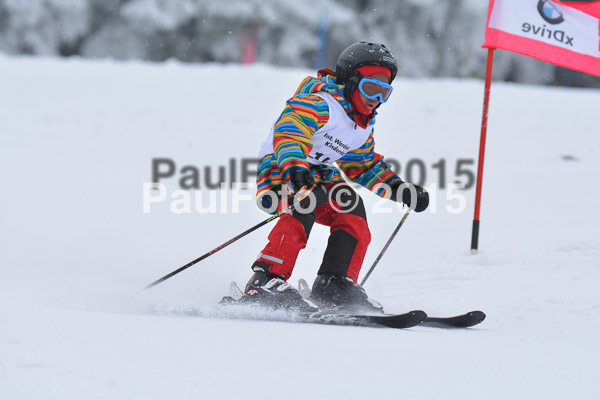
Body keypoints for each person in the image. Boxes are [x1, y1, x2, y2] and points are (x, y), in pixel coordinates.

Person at [243, 42, 429, 313]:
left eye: (384, 92)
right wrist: (295, 168)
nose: (375, 99)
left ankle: (334, 284)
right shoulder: (321, 103)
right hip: (282, 169)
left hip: (319, 175)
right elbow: (290, 130)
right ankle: (265, 279)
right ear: (350, 82)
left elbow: (363, 166)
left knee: (352, 210)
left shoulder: (360, 127)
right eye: (370, 88)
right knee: (304, 202)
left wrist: (400, 189)